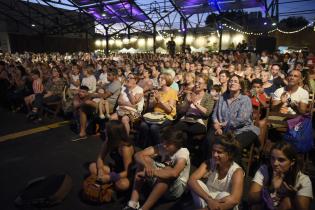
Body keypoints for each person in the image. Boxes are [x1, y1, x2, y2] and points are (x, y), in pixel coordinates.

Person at [123, 127, 190, 210]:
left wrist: (152, 172)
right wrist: (147, 166)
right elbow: (138, 155)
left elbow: (174, 173)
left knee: (167, 172)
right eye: (164, 142)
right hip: (160, 179)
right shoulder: (162, 147)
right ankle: (133, 203)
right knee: (145, 159)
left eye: (168, 144)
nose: (165, 145)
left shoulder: (183, 152)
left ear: (177, 144)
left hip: (175, 190)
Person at [204, 74, 259, 161]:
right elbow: (215, 113)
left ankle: (232, 169)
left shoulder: (245, 99)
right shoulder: (222, 97)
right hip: (221, 127)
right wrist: (216, 123)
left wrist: (222, 125)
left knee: (233, 145)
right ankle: (211, 164)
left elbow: (242, 120)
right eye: (230, 81)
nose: (232, 83)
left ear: (240, 86)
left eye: (235, 82)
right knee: (209, 139)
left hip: (242, 129)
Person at [248, 141, 313, 210]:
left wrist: (293, 197)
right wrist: (270, 189)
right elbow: (251, 198)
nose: (275, 163)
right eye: (272, 158)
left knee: (287, 201)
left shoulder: (302, 179)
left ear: (292, 162)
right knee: (256, 206)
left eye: (281, 160)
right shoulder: (264, 170)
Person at [189, 133, 244, 210]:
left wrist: (209, 207)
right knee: (197, 183)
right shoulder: (209, 162)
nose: (215, 155)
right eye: (213, 151)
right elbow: (191, 180)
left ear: (230, 154)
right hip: (208, 200)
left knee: (225, 195)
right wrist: (209, 200)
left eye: (219, 152)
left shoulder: (237, 171)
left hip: (223, 206)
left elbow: (235, 199)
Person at [89, 121, 135, 191]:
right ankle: (108, 184)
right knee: (92, 166)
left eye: (106, 130)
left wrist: (109, 177)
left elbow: (128, 172)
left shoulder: (125, 148)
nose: (104, 131)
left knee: (122, 185)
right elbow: (100, 158)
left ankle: (107, 184)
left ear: (113, 134)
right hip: (116, 169)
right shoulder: (108, 141)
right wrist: (100, 171)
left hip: (128, 174)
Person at [138, 73, 178, 147]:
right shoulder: (157, 91)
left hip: (167, 116)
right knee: (143, 125)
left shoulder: (173, 92)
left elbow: (169, 110)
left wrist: (160, 100)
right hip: (155, 115)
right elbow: (150, 106)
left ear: (167, 81)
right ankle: (143, 146)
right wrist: (153, 100)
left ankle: (159, 147)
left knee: (154, 127)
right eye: (159, 78)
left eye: (162, 79)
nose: (159, 79)